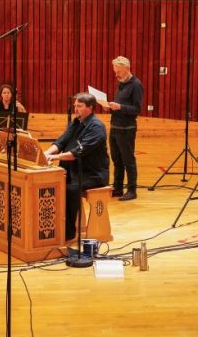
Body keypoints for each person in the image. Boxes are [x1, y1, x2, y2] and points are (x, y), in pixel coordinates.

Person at [44, 93, 110, 242]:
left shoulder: (97, 127)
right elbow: (61, 142)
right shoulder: (76, 123)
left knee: (69, 189)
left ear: (90, 108)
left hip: (92, 174)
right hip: (74, 170)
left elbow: (78, 153)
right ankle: (55, 226)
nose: (75, 109)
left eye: (79, 106)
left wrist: (55, 157)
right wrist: (46, 153)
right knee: (53, 185)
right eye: (75, 106)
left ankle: (68, 232)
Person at [105, 56, 143, 201]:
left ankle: (132, 190)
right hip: (115, 126)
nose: (116, 75)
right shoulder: (121, 83)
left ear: (127, 69)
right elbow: (119, 106)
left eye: (119, 72)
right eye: (115, 72)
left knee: (128, 160)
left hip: (127, 128)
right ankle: (118, 188)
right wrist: (109, 107)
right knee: (116, 160)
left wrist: (120, 107)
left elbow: (137, 109)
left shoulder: (136, 85)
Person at [0, 83, 26, 154]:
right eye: (4, 93)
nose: (6, 94)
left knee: (19, 138)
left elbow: (23, 118)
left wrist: (22, 108)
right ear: (1, 95)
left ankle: (14, 155)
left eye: (8, 93)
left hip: (11, 131)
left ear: (11, 95)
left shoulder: (15, 105)